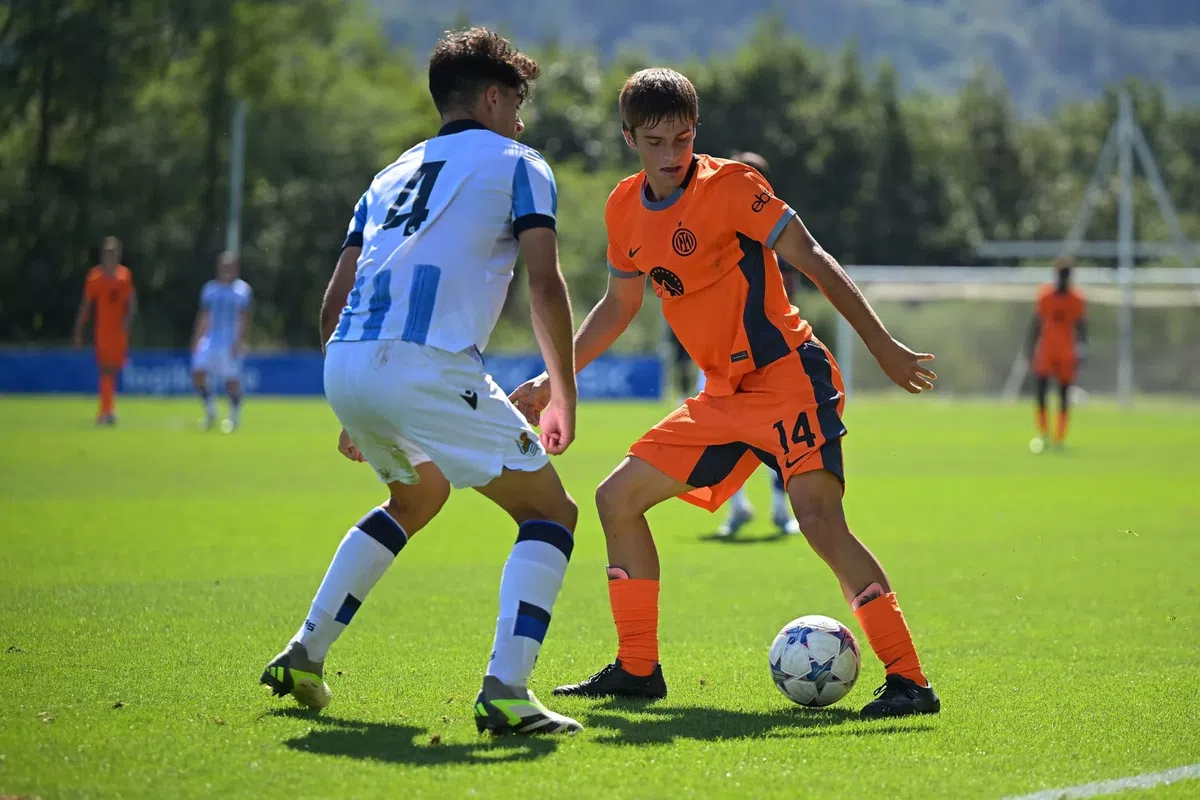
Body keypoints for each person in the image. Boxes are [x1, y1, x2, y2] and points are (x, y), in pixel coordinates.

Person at [512, 68, 940, 719]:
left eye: (682, 138)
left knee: (821, 522)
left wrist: (883, 348)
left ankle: (910, 682)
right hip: (722, 397)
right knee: (616, 499)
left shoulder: (734, 186)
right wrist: (555, 377)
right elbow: (619, 305)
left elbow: (813, 257)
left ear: (696, 132)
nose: (671, 153)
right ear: (629, 137)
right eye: (655, 140)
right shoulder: (623, 206)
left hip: (791, 378)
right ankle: (636, 667)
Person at [259, 27, 583, 736]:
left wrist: (352, 401)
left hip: (347, 360)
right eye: (517, 101)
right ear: (493, 97)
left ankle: (304, 652)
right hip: (427, 363)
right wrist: (564, 390)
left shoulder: (389, 174)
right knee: (550, 514)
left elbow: (334, 295)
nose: (522, 119)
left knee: (419, 491)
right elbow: (544, 281)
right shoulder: (520, 162)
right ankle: (506, 690)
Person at [706, 151, 799, 538]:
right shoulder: (712, 226)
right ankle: (737, 507)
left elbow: (790, 285)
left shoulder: (775, 232)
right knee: (723, 436)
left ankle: (781, 509)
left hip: (767, 353)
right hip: (720, 354)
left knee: (781, 437)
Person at [73, 237, 136, 425]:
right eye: (107, 252)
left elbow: (131, 301)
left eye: (114, 252)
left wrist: (127, 319)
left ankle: (108, 409)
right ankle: (105, 411)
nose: (110, 256)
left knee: (112, 370)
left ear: (119, 254)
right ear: (102, 255)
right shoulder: (95, 277)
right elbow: (87, 306)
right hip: (102, 331)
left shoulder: (124, 276)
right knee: (105, 369)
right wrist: (79, 331)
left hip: (118, 332)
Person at [1028, 258, 1086, 453]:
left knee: (1063, 396)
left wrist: (1082, 350)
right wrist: (1030, 348)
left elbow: (1081, 326)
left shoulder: (1076, 299)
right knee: (1041, 393)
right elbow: (1036, 323)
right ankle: (1044, 434)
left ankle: (1059, 438)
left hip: (1066, 351)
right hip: (1046, 349)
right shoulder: (1045, 295)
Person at [191, 251, 253, 432]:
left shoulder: (241, 290)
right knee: (198, 372)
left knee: (231, 380)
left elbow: (244, 317)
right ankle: (210, 410)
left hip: (229, 340)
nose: (227, 270)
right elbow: (204, 316)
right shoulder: (210, 289)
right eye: (224, 266)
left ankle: (234, 417)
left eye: (230, 266)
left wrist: (239, 341)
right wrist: (196, 339)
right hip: (210, 339)